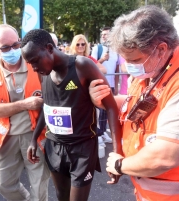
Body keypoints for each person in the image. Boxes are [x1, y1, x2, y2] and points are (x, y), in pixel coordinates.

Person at [89, 5, 179, 201]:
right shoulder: (154, 69)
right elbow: (138, 104)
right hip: (148, 192)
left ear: (161, 49)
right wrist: (103, 99)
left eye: (134, 59)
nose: (128, 66)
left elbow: (165, 156)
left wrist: (119, 165)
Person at [21, 29, 122, 201]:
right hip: (54, 147)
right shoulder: (43, 72)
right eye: (30, 64)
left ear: (49, 48)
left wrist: (117, 154)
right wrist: (33, 139)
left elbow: (111, 107)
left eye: (35, 61)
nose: (34, 67)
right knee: (61, 196)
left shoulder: (83, 66)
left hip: (82, 148)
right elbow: (48, 106)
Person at [0, 24, 50, 201]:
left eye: (16, 45)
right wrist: (25, 104)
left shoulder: (35, 64)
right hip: (6, 138)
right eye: (6, 47)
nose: (13, 50)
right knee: (3, 184)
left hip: (36, 135)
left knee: (39, 188)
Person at [91, 27, 120, 144]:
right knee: (99, 110)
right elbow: (92, 65)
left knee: (108, 110)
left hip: (111, 84)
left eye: (106, 35)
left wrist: (117, 85)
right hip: (100, 84)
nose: (103, 36)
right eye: (102, 35)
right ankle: (98, 133)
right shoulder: (96, 49)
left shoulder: (116, 51)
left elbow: (117, 68)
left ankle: (103, 133)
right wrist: (102, 59)